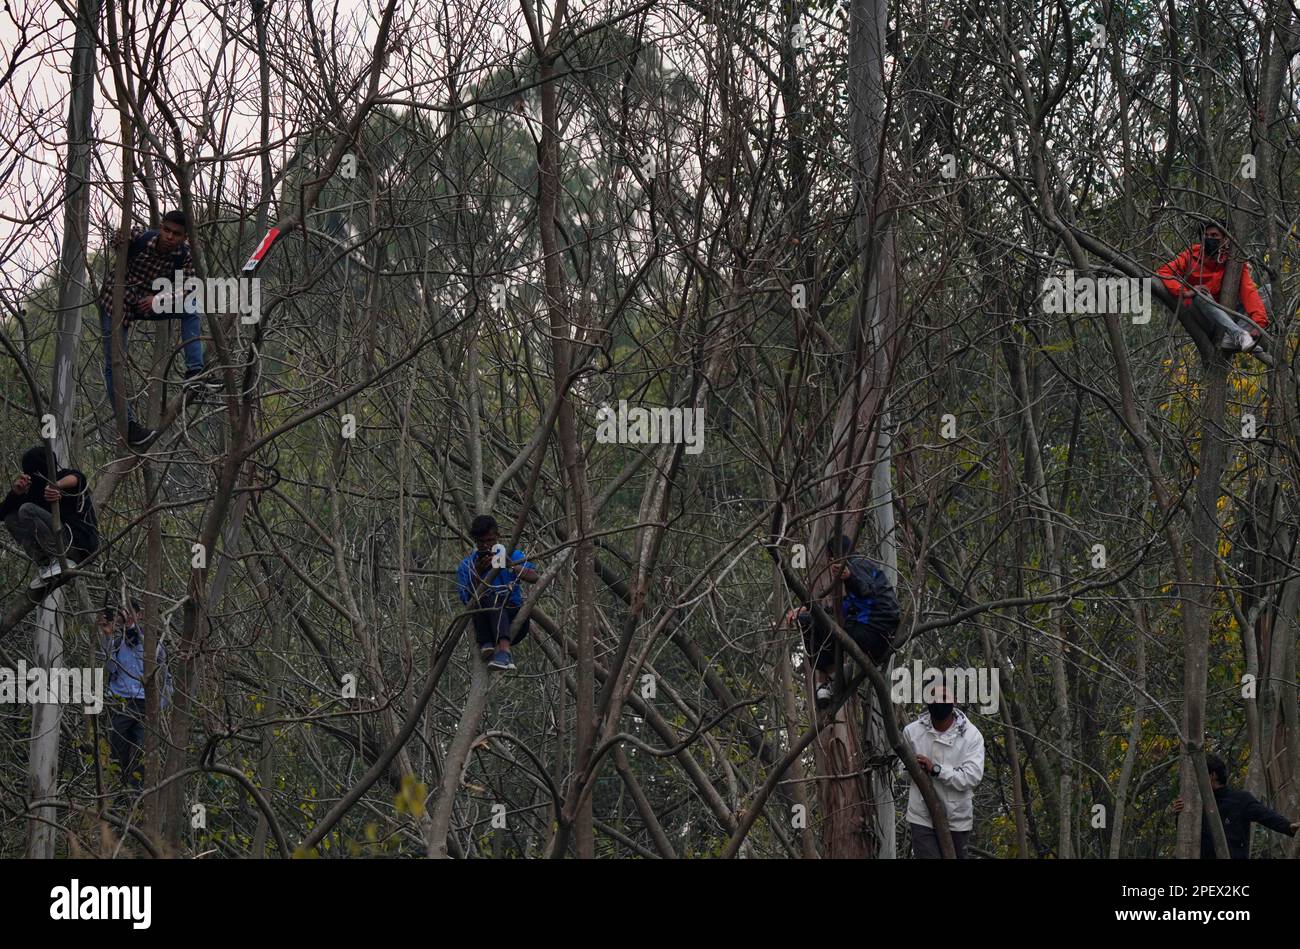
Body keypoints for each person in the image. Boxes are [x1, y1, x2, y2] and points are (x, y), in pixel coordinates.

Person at [98, 210, 217, 448]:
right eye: (166, 230)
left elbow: (191, 286)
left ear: (184, 237)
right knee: (114, 365)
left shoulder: (184, 254)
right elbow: (122, 236)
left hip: (147, 302)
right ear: (161, 227)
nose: (169, 237)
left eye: (176, 234)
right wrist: (120, 237)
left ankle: (195, 373)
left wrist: (160, 298)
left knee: (191, 307)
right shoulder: (143, 238)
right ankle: (130, 427)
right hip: (116, 302)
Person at [786, 535, 900, 707]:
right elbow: (843, 609)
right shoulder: (866, 567)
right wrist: (807, 608)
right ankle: (829, 680)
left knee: (812, 622)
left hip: (873, 632)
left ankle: (830, 677)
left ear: (832, 556)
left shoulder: (857, 565)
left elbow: (864, 588)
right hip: (878, 635)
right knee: (814, 618)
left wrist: (849, 576)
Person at [1157, 220, 1269, 353]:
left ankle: (1234, 337)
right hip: (1204, 316)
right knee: (1200, 293)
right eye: (1206, 235)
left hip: (1228, 314)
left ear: (1225, 238)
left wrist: (1259, 323)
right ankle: (1238, 335)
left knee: (1269, 290)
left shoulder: (1234, 261)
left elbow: (1249, 291)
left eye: (1214, 235)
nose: (1209, 238)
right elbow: (1164, 272)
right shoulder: (1192, 254)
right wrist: (1186, 292)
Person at [901, 687, 985, 859]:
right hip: (922, 816)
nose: (939, 701)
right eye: (934, 697)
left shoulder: (971, 735)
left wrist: (936, 770)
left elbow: (972, 777)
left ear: (954, 701)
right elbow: (901, 771)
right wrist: (913, 768)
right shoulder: (912, 732)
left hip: (957, 819)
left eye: (944, 697)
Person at [97, 598, 172, 791]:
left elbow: (165, 674)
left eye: (131, 612)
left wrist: (162, 702)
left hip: (144, 704)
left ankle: (137, 791)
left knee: (143, 748)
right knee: (117, 748)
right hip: (121, 702)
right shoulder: (116, 641)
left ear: (139, 615)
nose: (127, 617)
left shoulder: (152, 643)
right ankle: (119, 788)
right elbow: (110, 667)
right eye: (124, 613)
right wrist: (107, 637)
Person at [0, 444, 98, 590]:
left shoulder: (63, 477)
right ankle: (45, 563)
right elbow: (3, 515)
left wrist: (57, 485)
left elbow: (78, 478)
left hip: (79, 546)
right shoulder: (33, 492)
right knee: (12, 518)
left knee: (27, 510)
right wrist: (15, 493)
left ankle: (58, 560)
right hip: (58, 549)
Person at [1172, 753, 1298, 859]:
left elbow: (1266, 815)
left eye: (1198, 775)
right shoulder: (1197, 804)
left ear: (1212, 776)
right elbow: (1188, 835)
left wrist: (1288, 827)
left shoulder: (1240, 800)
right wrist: (1180, 813)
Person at [456, 515, 539, 672]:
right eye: (482, 543)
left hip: (513, 618)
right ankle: (487, 643)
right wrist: (478, 575)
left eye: (490, 541)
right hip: (484, 624)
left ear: (498, 537)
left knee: (496, 599)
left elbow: (534, 577)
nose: (487, 546)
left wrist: (510, 565)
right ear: (475, 541)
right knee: (485, 597)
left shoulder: (513, 556)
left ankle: (504, 651)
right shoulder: (467, 566)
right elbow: (468, 601)